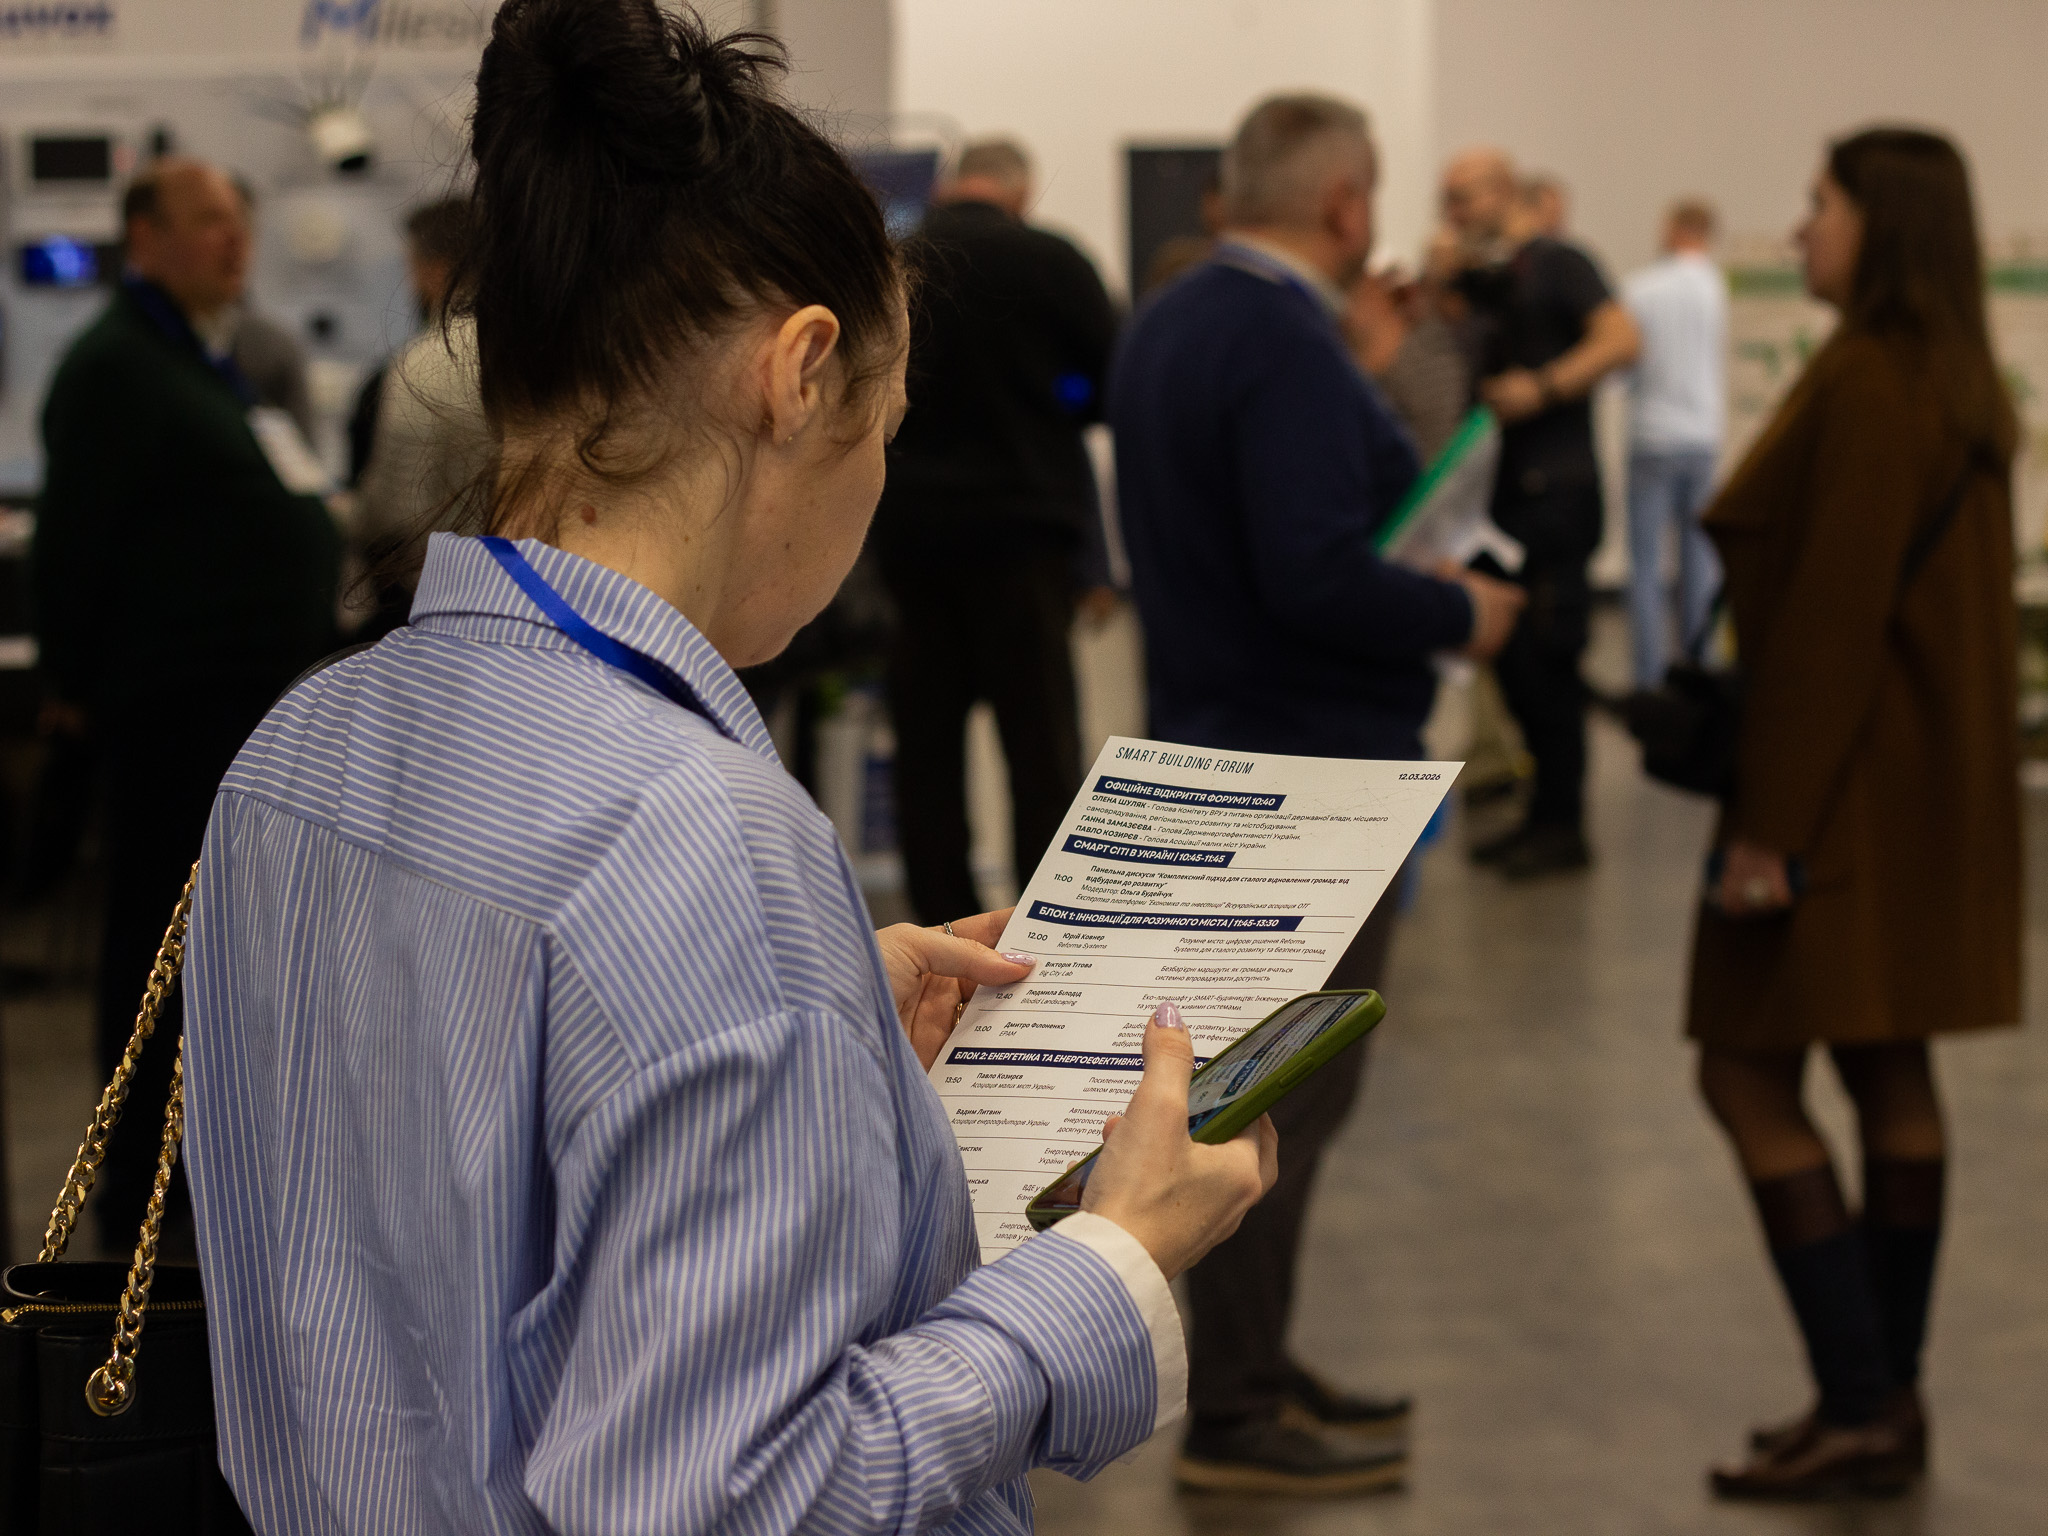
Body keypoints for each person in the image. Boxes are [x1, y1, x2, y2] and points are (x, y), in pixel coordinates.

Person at [181, 5, 1275, 1531]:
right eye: (888, 422)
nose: (879, 477)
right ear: (802, 372)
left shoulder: (299, 747)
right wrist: (1111, 1261)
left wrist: (811, 1025)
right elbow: (743, 1496)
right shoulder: (702, 840)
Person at [1111, 93, 1523, 1496]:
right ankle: (1234, 1408)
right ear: (1347, 204)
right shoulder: (1278, 337)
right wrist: (1458, 614)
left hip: (1223, 747)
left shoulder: (1176, 318)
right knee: (1281, 1101)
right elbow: (1312, 571)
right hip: (1310, 779)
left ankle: (1255, 1363)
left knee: (1259, 1089)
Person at [1689, 127, 2019, 1500]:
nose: (1799, 228)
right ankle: (1884, 1403)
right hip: (1912, 794)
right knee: (1887, 1068)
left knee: (1742, 1070)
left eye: (1819, 204)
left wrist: (1768, 831)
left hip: (1838, 804)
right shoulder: (1942, 376)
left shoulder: (1874, 380)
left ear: (1883, 223)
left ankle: (1862, 1397)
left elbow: (1829, 626)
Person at [30, 156, 341, 1252]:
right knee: (156, 955)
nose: (234, 240)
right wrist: (71, 685)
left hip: (232, 712)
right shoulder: (116, 366)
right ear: (145, 239)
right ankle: (139, 1203)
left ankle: (196, 1175)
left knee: (208, 955)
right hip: (170, 714)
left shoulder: (200, 358)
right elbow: (74, 544)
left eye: (240, 221)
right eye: (208, 221)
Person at [871, 137, 1118, 924]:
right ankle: (1044, 929)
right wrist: (1055, 398)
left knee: (926, 751)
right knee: (1041, 747)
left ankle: (942, 926)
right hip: (1024, 538)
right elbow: (1108, 384)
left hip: (911, 539)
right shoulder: (1052, 260)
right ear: (1020, 192)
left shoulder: (897, 259)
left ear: (952, 183)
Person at [1441, 147, 1640, 878]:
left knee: (1551, 666)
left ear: (1505, 191)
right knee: (1519, 670)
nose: (1453, 213)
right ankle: (1543, 814)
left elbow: (1622, 340)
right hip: (1500, 503)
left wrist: (1544, 387)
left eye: (1463, 197)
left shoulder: (1560, 263)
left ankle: (1563, 826)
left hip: (1554, 500)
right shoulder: (1481, 278)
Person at [352, 196, 490, 635]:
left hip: (442, 605)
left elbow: (396, 510)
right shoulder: (545, 354)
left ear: (434, 270)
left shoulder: (423, 362)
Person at [1622, 198, 1727, 689]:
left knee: (1646, 567)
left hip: (1652, 436)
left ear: (1673, 228)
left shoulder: (1642, 289)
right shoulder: (1716, 289)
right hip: (1702, 436)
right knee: (1699, 563)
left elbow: (1624, 369)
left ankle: (1648, 680)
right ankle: (1698, 671)